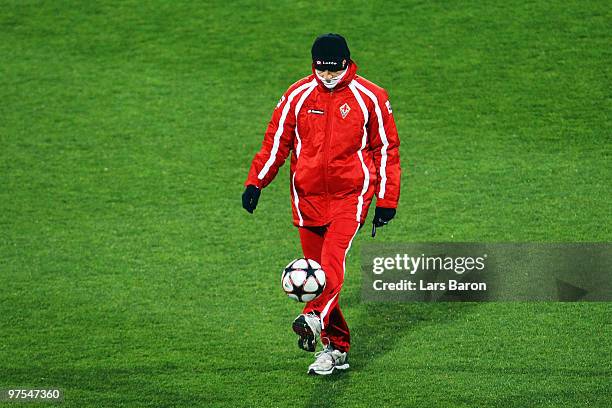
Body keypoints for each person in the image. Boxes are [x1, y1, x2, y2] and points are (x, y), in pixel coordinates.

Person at [242, 33, 401, 375]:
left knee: (329, 264)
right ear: (313, 65)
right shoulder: (297, 95)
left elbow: (386, 150)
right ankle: (336, 349)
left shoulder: (371, 97)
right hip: (308, 199)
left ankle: (313, 318)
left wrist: (386, 200)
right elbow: (277, 142)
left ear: (347, 63)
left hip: (351, 196)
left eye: (334, 70)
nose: (328, 76)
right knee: (320, 276)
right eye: (321, 70)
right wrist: (256, 182)